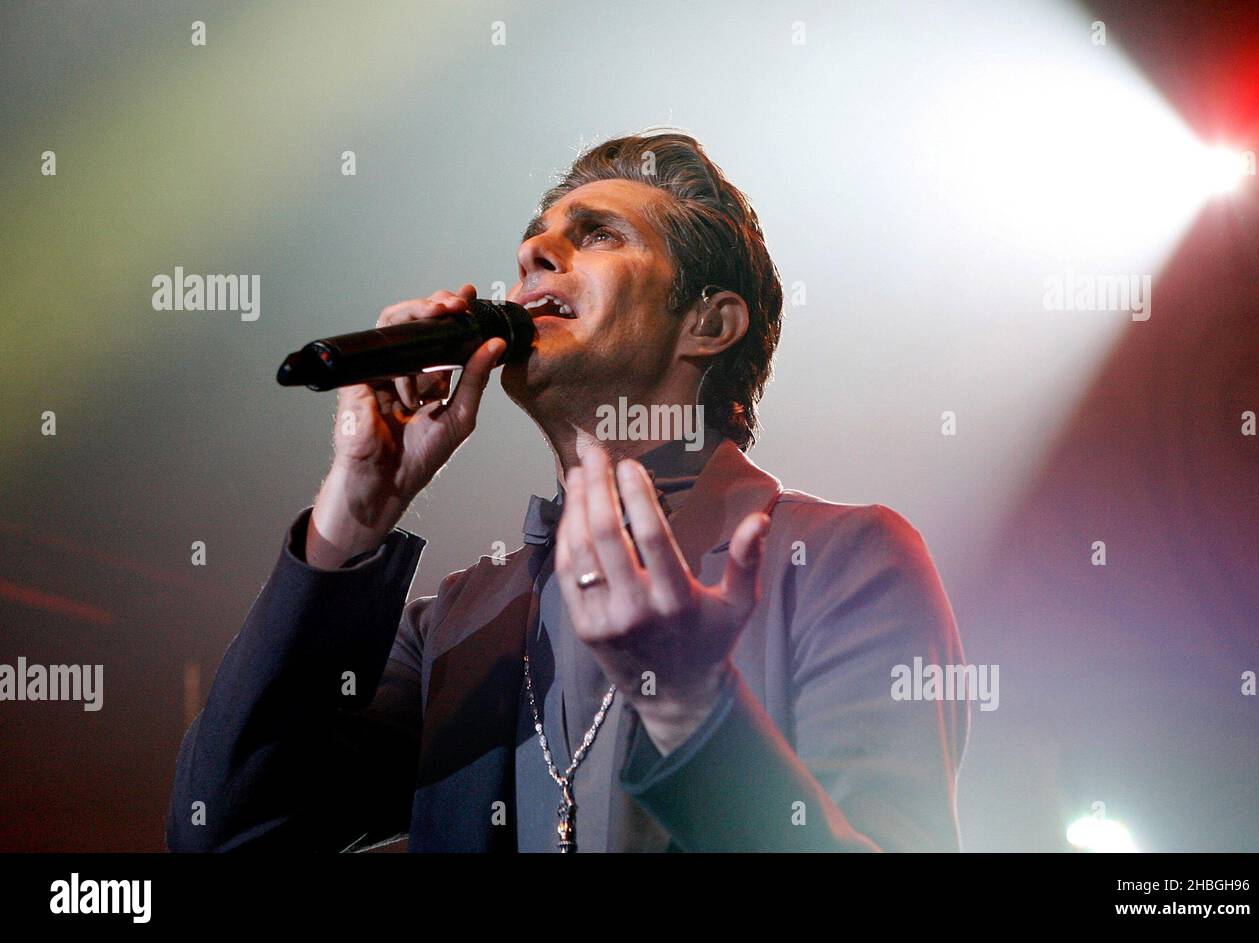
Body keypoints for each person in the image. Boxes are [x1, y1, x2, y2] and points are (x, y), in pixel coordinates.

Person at [166, 130, 969, 853]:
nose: (536, 250)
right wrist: (351, 517)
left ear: (710, 323)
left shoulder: (839, 563)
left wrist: (693, 709)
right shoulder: (459, 622)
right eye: (535, 238)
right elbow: (227, 827)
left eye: (598, 235)